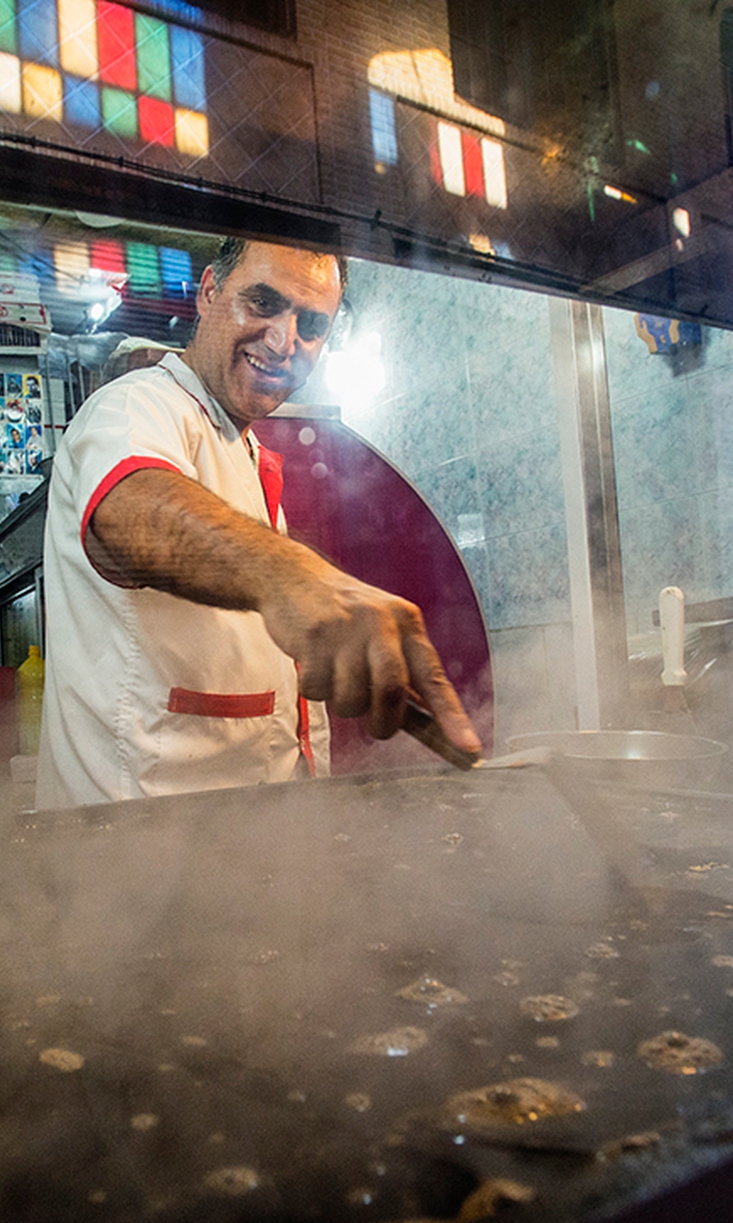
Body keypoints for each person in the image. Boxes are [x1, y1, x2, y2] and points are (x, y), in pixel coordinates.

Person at [36, 236, 480, 808]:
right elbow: (129, 506)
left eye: (312, 324)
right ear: (209, 292)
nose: (283, 342)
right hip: (136, 860)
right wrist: (291, 575)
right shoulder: (136, 405)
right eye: (263, 303)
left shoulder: (243, 451)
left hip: (251, 854)